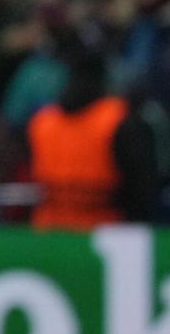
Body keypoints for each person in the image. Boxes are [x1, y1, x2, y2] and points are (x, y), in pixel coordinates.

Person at [28, 33, 157, 231]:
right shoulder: (120, 119)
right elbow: (142, 190)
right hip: (105, 235)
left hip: (49, 236)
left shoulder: (42, 121)